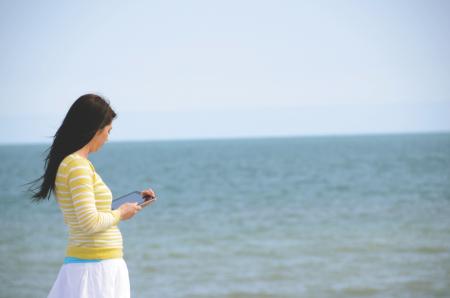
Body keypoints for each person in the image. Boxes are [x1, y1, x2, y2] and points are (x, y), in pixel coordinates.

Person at [29, 94, 156, 298]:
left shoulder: (71, 163)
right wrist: (121, 213)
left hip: (91, 264)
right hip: (95, 268)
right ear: (96, 130)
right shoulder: (78, 166)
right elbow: (89, 222)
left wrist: (126, 207)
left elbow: (90, 214)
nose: (108, 137)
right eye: (108, 131)